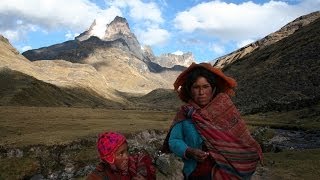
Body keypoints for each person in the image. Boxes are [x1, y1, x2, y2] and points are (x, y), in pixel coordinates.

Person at [161, 63, 263, 179]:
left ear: (213, 89)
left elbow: (241, 138)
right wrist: (189, 151)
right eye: (196, 87)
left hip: (228, 171)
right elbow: (174, 140)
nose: (201, 92)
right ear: (189, 90)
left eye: (205, 87)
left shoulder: (225, 110)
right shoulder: (184, 114)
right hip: (195, 171)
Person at [86, 131, 156, 180]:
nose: (127, 157)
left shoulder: (130, 165)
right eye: (121, 153)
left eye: (126, 151)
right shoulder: (97, 177)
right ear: (109, 158)